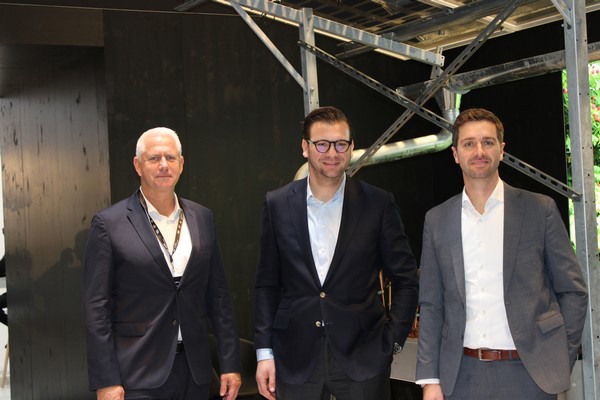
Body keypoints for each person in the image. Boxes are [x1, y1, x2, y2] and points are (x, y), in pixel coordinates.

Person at [416, 108, 589, 400]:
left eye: (488, 142)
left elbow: (573, 292)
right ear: (455, 154)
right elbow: (431, 304)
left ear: (502, 150)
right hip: (460, 377)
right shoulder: (437, 220)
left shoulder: (540, 210)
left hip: (529, 375)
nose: (479, 151)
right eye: (469, 144)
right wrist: (430, 379)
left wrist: (559, 356)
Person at [254, 106, 419, 400]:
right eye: (322, 144)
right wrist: (264, 352)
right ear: (305, 147)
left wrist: (393, 341)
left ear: (351, 148)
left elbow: (406, 278)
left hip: (364, 358)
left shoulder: (378, 204)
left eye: (341, 144)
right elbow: (267, 284)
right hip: (295, 358)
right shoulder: (276, 204)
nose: (332, 153)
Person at [83, 127, 242, 400]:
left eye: (170, 157)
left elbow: (219, 297)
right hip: (137, 372)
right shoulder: (109, 224)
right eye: (154, 158)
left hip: (195, 371)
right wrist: (106, 380)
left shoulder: (202, 218)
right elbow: (96, 307)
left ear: (182, 164)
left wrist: (230, 364)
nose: (164, 165)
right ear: (138, 165)